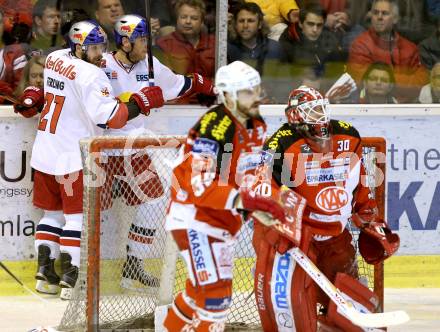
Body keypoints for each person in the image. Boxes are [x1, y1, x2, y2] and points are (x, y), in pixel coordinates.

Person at [13, 20, 164, 299]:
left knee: (52, 215)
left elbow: (54, 91)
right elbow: (111, 118)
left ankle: (45, 276)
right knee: (76, 220)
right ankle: (72, 280)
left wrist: (34, 94)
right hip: (74, 157)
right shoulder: (93, 76)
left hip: (46, 152)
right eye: (93, 48)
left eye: (101, 47)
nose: (100, 53)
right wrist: (140, 103)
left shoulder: (56, 58)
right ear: (79, 47)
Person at [250, 85, 400, 331]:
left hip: (334, 236)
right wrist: (279, 223)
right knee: (295, 308)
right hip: (296, 240)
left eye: (322, 109)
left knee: (350, 306)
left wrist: (369, 218)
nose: (320, 116)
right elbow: (261, 188)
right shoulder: (280, 144)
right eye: (312, 110)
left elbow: (359, 182)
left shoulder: (348, 136)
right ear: (295, 115)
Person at [162, 61, 292, 331]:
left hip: (220, 221)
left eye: (256, 89)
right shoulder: (214, 127)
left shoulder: (256, 124)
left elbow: (251, 173)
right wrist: (249, 202)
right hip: (195, 220)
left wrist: (267, 202)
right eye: (247, 92)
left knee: (197, 293)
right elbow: (201, 185)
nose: (256, 96)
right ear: (228, 95)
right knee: (216, 299)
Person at [100, 14, 216, 289]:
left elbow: (180, 84)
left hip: (134, 149)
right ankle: (78, 271)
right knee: (88, 211)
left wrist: (205, 86)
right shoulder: (101, 65)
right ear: (125, 43)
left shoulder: (151, 65)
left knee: (153, 201)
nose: (146, 46)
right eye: (142, 41)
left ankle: (133, 265)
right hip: (99, 149)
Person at [347, 0, 428, 103]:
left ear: (395, 19)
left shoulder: (410, 48)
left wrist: (388, 82)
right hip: (369, 107)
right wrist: (406, 83)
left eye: (385, 13)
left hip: (407, 108)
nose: (379, 17)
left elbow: (421, 82)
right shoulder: (359, 45)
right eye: (375, 13)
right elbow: (366, 83)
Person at [156, 0, 215, 79]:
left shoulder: (214, 43)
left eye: (194, 18)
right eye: (183, 17)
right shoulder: (164, 45)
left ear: (201, 22)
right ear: (177, 19)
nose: (188, 21)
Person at [227, 2, 281, 76]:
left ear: (260, 24)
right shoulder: (227, 49)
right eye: (241, 21)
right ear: (235, 24)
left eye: (250, 21)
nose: (245, 25)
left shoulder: (274, 48)